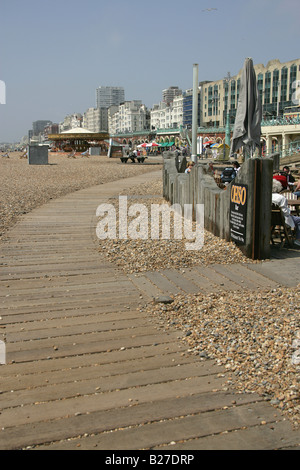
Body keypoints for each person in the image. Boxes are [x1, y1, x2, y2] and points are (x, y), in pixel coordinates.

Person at [272, 179, 300, 247]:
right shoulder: (281, 198)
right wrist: (290, 212)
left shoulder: (267, 196)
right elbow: (285, 212)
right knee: (299, 220)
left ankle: (290, 238)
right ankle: (298, 239)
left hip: (271, 219)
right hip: (283, 220)